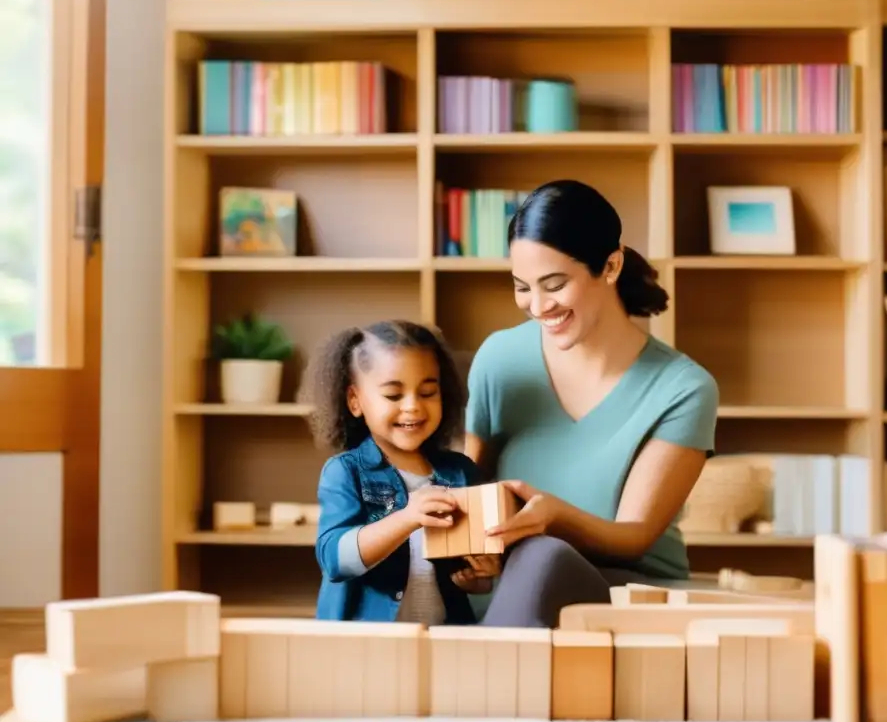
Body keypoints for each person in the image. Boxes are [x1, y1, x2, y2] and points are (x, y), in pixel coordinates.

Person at [462, 179, 720, 628]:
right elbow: (467, 484)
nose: (538, 306)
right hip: (506, 598)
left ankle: (486, 682)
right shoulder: (499, 359)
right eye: (522, 287)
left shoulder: (683, 388)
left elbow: (633, 537)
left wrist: (553, 518)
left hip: (622, 596)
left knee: (543, 557)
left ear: (611, 265)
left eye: (555, 284)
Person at [301, 320, 494, 624]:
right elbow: (335, 560)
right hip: (367, 648)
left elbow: (475, 575)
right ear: (355, 401)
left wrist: (478, 578)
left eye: (428, 392)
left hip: (444, 641)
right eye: (393, 396)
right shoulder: (345, 472)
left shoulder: (461, 472)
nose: (413, 407)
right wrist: (407, 517)